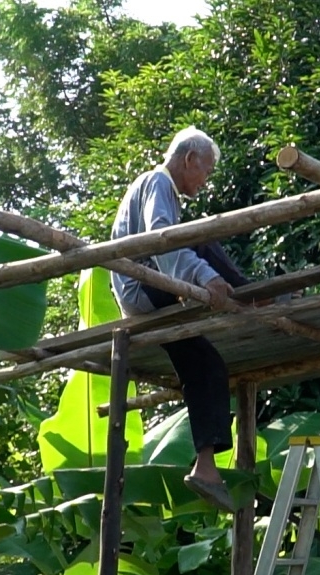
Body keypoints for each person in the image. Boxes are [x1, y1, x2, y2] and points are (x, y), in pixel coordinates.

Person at [109, 126, 247, 513]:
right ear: (189, 160)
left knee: (206, 364)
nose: (205, 181)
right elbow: (163, 239)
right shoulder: (157, 182)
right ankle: (254, 291)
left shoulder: (158, 188)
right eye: (206, 170)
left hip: (148, 290)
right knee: (200, 238)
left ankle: (206, 468)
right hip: (142, 288)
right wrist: (206, 277)